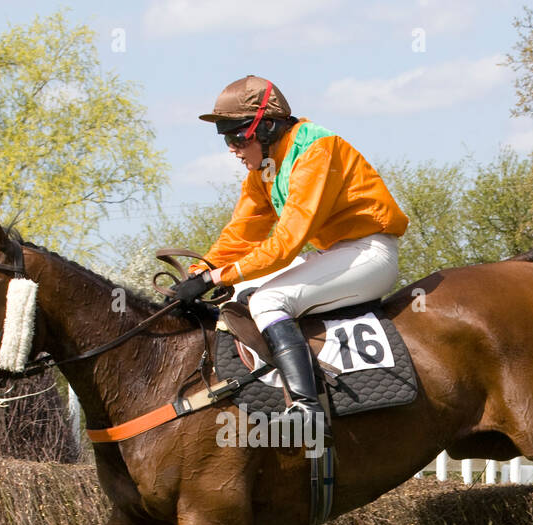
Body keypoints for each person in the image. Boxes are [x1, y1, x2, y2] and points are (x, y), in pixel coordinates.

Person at [172, 75, 409, 440]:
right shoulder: (264, 166)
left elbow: (286, 244)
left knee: (268, 299)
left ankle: (306, 409)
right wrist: (200, 270)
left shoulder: (316, 150)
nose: (233, 149)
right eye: (226, 139)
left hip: (369, 253)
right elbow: (243, 230)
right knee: (241, 293)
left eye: (238, 137)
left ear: (266, 127)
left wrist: (216, 278)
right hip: (334, 253)